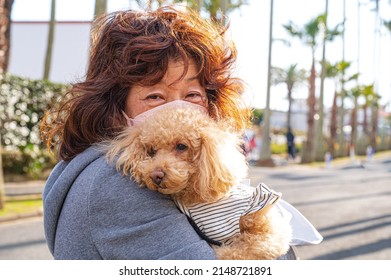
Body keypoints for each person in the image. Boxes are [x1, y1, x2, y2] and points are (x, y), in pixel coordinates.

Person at [40, 6, 251, 260]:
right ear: (116, 104)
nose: (176, 107)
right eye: (154, 96)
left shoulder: (91, 169)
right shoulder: (116, 181)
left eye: (193, 94)